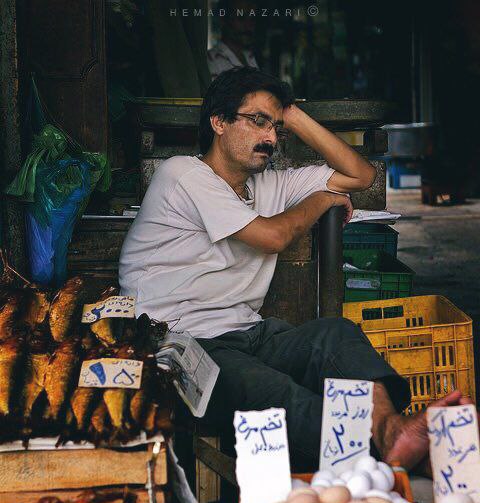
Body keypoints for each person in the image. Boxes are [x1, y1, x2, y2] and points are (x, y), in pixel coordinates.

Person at [119, 67, 468, 472]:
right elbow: (273, 236)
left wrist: (294, 114)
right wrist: (321, 200)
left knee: (335, 337)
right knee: (278, 393)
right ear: (218, 122)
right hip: (178, 346)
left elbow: (361, 174)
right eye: (257, 121)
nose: (269, 137)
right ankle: (390, 464)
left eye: (275, 127)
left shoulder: (269, 185)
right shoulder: (182, 174)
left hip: (248, 333)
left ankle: (392, 432)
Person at [208, 1, 259, 81]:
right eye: (241, 19)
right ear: (224, 20)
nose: (248, 26)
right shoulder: (211, 61)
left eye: (252, 19)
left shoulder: (251, 57)